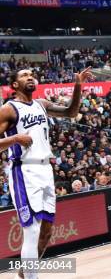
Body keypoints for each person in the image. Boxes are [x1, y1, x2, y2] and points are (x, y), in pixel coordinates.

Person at [0, 66, 93, 279]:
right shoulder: (8, 109)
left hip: (45, 169)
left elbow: (70, 112)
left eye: (32, 74)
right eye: (24, 75)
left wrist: (77, 85)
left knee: (46, 233)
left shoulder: (41, 104)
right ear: (14, 85)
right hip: (24, 170)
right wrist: (14, 139)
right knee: (31, 231)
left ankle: (23, 274)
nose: (30, 77)